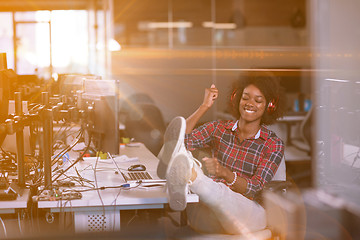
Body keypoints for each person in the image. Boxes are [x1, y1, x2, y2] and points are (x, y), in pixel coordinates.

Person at [165, 74, 286, 235]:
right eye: (245, 98)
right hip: (213, 212)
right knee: (181, 151)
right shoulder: (219, 129)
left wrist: (225, 173)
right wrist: (204, 106)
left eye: (258, 100)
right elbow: (179, 140)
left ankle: (192, 177)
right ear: (237, 99)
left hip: (250, 213)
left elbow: (254, 187)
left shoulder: (273, 144)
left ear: (269, 106)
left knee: (220, 191)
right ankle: (189, 173)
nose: (250, 104)